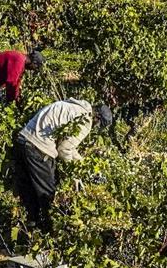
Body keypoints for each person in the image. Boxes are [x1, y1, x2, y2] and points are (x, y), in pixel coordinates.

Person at [12, 99, 112, 234]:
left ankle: (30, 231)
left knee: (30, 193)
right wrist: (75, 175)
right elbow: (64, 150)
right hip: (38, 148)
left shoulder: (75, 106)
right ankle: (49, 236)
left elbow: (68, 147)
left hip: (23, 140)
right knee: (48, 196)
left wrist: (82, 164)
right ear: (97, 118)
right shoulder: (85, 120)